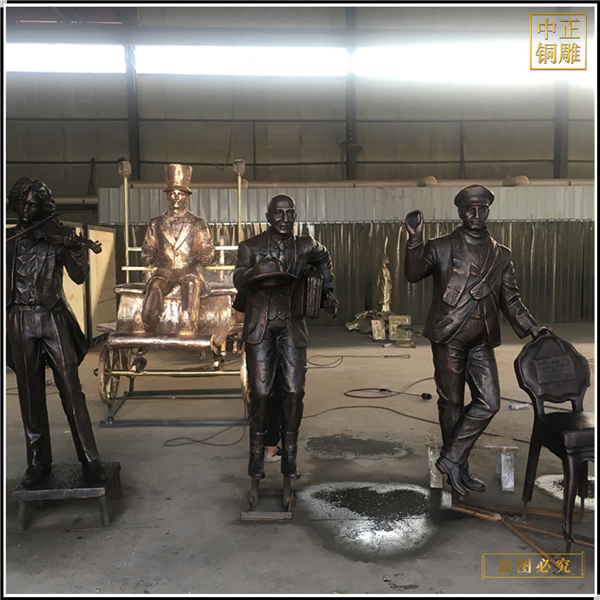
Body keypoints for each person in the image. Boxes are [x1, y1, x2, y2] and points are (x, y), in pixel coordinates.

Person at [404, 184, 552, 495]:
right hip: (449, 335)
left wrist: (532, 327)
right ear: (460, 212)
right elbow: (413, 273)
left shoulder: (501, 255)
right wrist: (415, 240)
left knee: (490, 402)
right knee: (451, 403)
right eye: (469, 209)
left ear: (487, 211)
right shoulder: (442, 247)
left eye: (481, 209)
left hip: (482, 339)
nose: (475, 214)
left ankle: (451, 459)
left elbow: (510, 300)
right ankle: (458, 469)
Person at [6, 177, 107, 486]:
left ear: (44, 207)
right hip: (20, 318)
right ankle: (38, 461)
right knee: (29, 394)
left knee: (71, 389)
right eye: (22, 203)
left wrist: (75, 248)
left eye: (34, 204)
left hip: (52, 317)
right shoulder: (10, 241)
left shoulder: (57, 237)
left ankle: (89, 458)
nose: (27, 209)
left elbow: (79, 277)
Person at [233, 194, 339, 482]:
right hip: (261, 327)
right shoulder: (250, 247)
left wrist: (326, 289)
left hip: (291, 326)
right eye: (278, 213)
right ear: (268, 217)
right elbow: (238, 279)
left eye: (290, 213)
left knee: (293, 391)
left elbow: (324, 257)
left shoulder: (304, 246)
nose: (284, 219)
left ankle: (289, 456)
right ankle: (256, 454)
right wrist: (256, 270)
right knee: (261, 393)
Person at [141, 163, 215, 333]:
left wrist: (205, 257)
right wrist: (147, 255)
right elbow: (148, 245)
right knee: (155, 286)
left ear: (186, 197)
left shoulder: (197, 223)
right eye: (172, 193)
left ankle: (189, 323)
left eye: (180, 193)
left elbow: (207, 247)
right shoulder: (156, 223)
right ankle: (147, 323)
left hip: (189, 269)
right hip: (165, 269)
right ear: (167, 196)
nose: (176, 197)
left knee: (191, 285)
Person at [233, 289, 282, 462]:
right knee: (275, 395)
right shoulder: (282, 284)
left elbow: (239, 316)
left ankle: (258, 449)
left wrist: (257, 317)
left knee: (259, 396)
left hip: (256, 343)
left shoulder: (248, 284)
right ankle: (271, 448)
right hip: (275, 344)